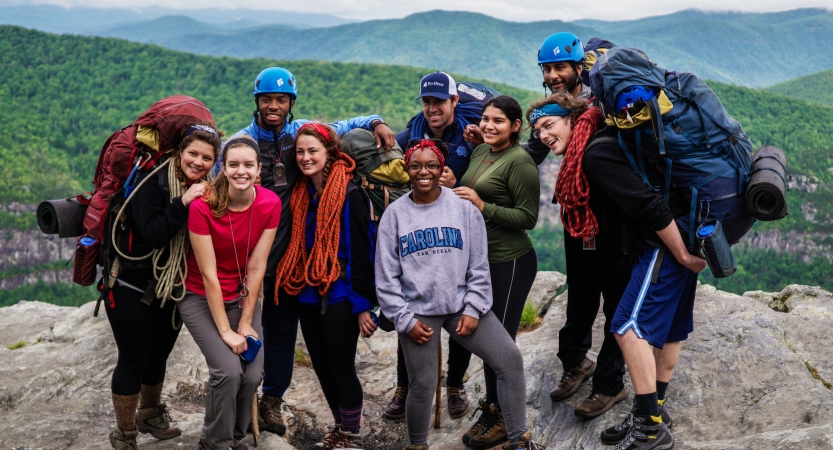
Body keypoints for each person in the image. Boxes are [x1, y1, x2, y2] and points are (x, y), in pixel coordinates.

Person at [225, 67, 395, 435]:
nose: (273, 106)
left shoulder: (299, 135)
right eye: (267, 99)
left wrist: (377, 121)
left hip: (306, 270)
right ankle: (262, 402)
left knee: (309, 349)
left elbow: (347, 123)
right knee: (274, 336)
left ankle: (287, 408)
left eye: (280, 100)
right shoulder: (242, 144)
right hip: (269, 264)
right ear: (256, 102)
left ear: (291, 103)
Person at [376, 139, 539, 450]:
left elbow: (479, 266)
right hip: (418, 311)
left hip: (461, 304)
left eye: (431, 166)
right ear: (407, 169)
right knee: (422, 384)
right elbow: (386, 278)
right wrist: (404, 319)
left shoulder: (463, 209)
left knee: (509, 359)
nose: (424, 172)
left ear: (442, 168)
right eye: (416, 166)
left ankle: (519, 439)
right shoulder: (395, 215)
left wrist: (474, 308)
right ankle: (417, 444)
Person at [105, 124, 221, 450]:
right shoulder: (152, 183)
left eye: (207, 158)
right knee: (133, 358)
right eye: (193, 154)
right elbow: (154, 233)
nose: (198, 162)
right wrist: (183, 202)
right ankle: (125, 434)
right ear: (178, 152)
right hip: (131, 282)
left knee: (158, 355)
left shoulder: (204, 188)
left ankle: (150, 414)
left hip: (171, 285)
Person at [526, 91, 632, 419]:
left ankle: (610, 383)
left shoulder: (596, 148)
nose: (543, 135)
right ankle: (576, 363)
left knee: (616, 309)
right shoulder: (575, 148)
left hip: (614, 237)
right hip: (582, 235)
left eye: (548, 125)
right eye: (537, 131)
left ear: (571, 119)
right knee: (580, 299)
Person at [386, 71, 485, 419]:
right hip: (419, 243)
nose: (432, 108)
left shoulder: (472, 138)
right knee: (413, 319)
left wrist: (456, 182)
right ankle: (405, 386)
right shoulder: (407, 138)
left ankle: (455, 384)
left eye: (439, 101)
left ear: (454, 102)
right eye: (427, 102)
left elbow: (485, 181)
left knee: (459, 317)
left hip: (456, 240)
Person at [274, 122, 377, 449]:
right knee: (322, 367)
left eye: (313, 151)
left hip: (340, 297)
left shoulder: (349, 193)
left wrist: (362, 305)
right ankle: (340, 426)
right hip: (308, 293)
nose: (305, 158)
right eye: (301, 152)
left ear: (330, 152)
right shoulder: (302, 194)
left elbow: (362, 253)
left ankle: (352, 435)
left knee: (341, 368)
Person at [180, 135, 280, 450]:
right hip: (198, 295)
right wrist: (226, 330)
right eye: (233, 164)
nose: (241, 171)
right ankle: (215, 442)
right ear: (222, 168)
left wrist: (246, 322)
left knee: (251, 375)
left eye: (248, 165)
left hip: (241, 297)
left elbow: (256, 267)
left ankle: (237, 434)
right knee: (227, 371)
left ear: (259, 169)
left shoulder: (269, 204)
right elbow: (208, 274)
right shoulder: (203, 206)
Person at [453, 95, 540, 449]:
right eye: (486, 118)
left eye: (498, 121)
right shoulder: (482, 151)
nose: (489, 125)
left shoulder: (520, 162)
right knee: (487, 344)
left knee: (499, 345)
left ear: (515, 126)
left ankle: (503, 418)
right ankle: (492, 409)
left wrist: (482, 204)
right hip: (482, 262)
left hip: (510, 262)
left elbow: (528, 218)